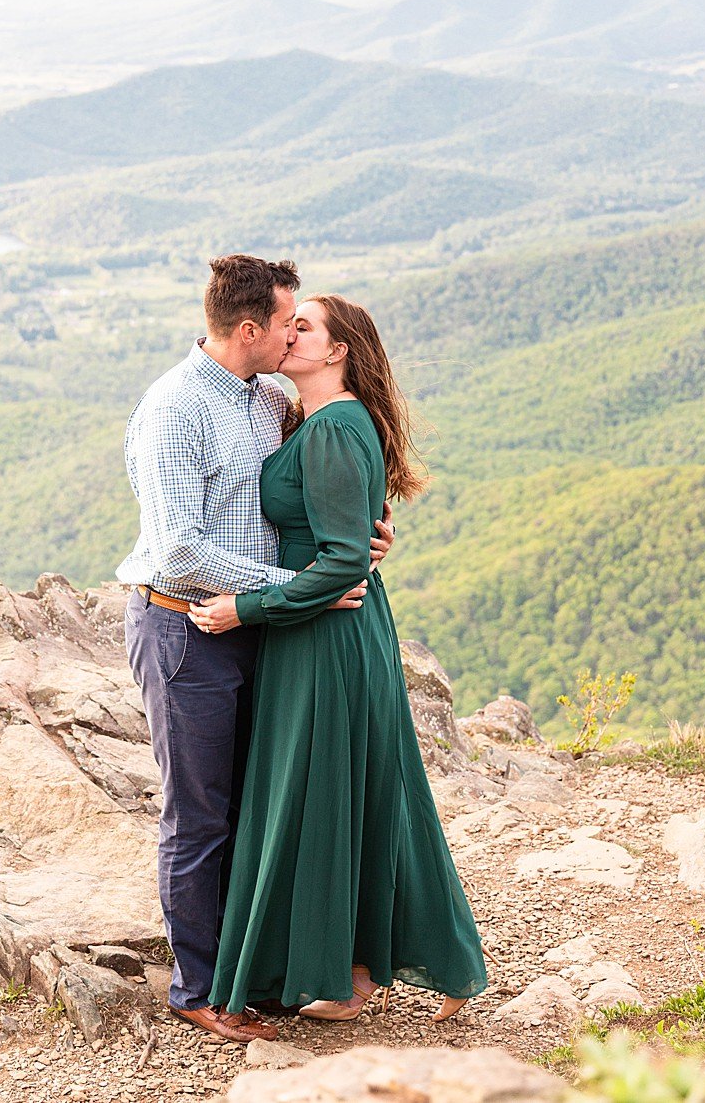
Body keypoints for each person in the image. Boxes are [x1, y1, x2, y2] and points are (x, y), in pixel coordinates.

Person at [117, 255, 394, 1045]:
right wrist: (295, 581)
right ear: (250, 330)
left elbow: (325, 489)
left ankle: (254, 968)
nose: (293, 331)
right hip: (187, 628)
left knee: (257, 804)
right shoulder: (176, 406)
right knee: (199, 815)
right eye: (285, 322)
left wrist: (366, 540)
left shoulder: (270, 398)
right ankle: (199, 988)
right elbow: (176, 551)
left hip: (259, 627)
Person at [193, 293, 487, 1023]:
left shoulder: (331, 429)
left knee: (329, 796)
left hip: (325, 634)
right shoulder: (320, 420)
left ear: (337, 350)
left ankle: (391, 964)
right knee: (351, 794)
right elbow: (354, 540)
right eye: (289, 323)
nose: (289, 335)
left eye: (305, 327)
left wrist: (243, 608)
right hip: (322, 632)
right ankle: (356, 970)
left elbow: (343, 564)